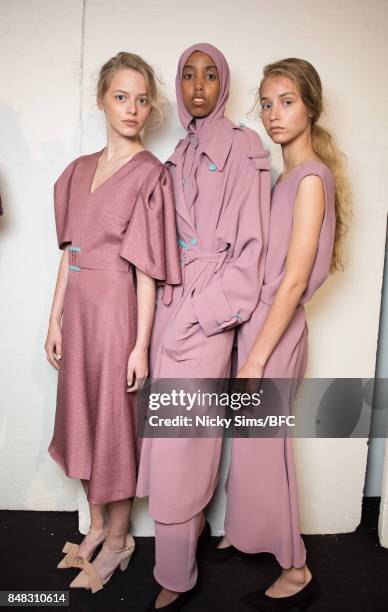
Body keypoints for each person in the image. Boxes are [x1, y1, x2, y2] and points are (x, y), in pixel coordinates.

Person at [136, 43, 271, 611]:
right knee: (173, 437)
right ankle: (183, 545)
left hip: (205, 313)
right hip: (170, 307)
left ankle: (175, 574)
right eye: (188, 75)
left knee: (181, 444)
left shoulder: (244, 148)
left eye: (210, 75)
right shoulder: (180, 153)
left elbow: (252, 255)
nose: (198, 86)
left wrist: (197, 315)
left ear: (224, 84)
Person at [214, 58, 350, 611]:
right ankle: (245, 531)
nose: (273, 114)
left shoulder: (311, 178)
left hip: (276, 331)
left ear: (311, 106)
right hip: (260, 326)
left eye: (286, 101)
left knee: (267, 448)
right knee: (250, 443)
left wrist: (256, 359)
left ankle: (296, 569)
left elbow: (293, 281)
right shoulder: (285, 175)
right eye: (266, 103)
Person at [45, 51, 181, 593]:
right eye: (122, 96)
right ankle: (97, 527)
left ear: (150, 109)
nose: (132, 108)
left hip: (115, 314)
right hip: (77, 311)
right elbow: (69, 252)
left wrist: (141, 346)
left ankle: (122, 541)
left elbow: (147, 271)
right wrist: (53, 318)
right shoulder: (77, 170)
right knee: (79, 415)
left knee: (114, 427)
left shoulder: (151, 175)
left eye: (142, 99)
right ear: (102, 98)